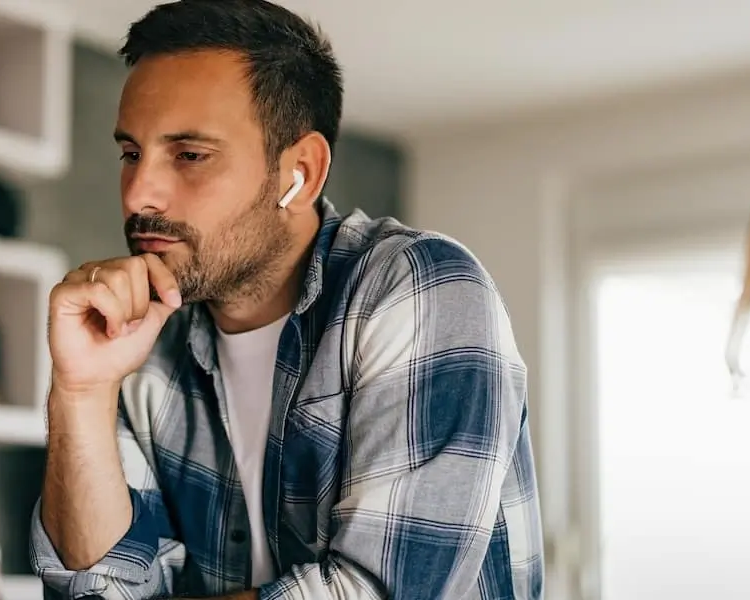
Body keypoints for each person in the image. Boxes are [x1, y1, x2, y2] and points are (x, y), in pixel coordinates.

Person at [29, 1, 544, 598]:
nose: (139, 192)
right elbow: (96, 589)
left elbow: (373, 591)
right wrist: (82, 391)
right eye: (131, 153)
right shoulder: (140, 339)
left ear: (300, 173)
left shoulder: (421, 287)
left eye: (190, 155)